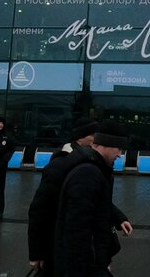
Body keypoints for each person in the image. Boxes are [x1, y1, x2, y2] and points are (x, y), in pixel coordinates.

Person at [28, 118, 133, 276]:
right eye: (93, 135)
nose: (96, 138)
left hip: (80, 252)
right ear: (80, 137)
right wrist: (37, 252)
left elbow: (95, 200)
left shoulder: (95, 164)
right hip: (59, 244)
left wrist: (118, 218)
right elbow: (39, 209)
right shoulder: (65, 165)